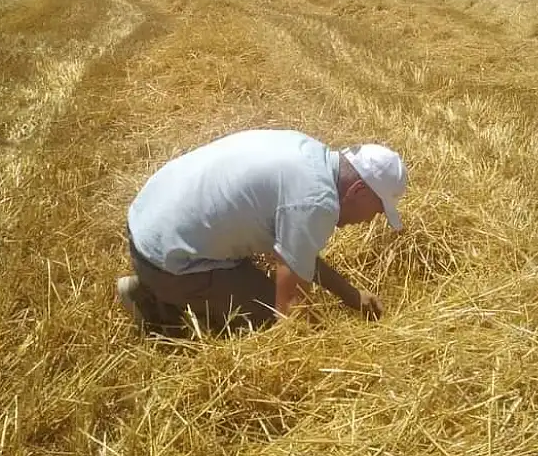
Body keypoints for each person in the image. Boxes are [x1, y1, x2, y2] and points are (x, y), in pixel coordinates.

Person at [115, 128, 408, 337]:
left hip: (146, 230)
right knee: (266, 317)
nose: (371, 220)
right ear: (358, 191)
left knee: (259, 284)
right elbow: (290, 315)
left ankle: (154, 289)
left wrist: (351, 294)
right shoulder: (316, 202)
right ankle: (158, 310)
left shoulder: (307, 153)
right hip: (168, 262)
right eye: (378, 209)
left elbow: (296, 255)